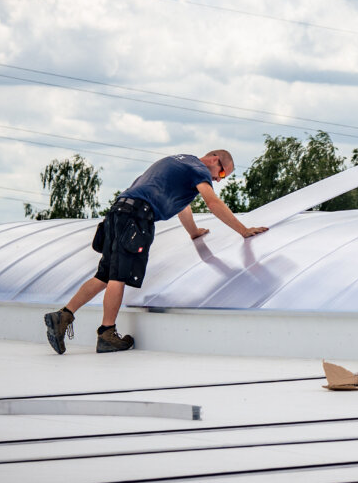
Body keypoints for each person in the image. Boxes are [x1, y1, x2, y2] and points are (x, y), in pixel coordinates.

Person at [43, 150, 267, 354]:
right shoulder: (198, 169)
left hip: (118, 211)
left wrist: (194, 232)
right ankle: (107, 333)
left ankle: (63, 315)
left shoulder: (178, 162)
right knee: (118, 276)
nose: (218, 179)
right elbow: (213, 202)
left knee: (103, 276)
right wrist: (243, 230)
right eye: (221, 173)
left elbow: (183, 207)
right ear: (215, 158)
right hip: (137, 216)